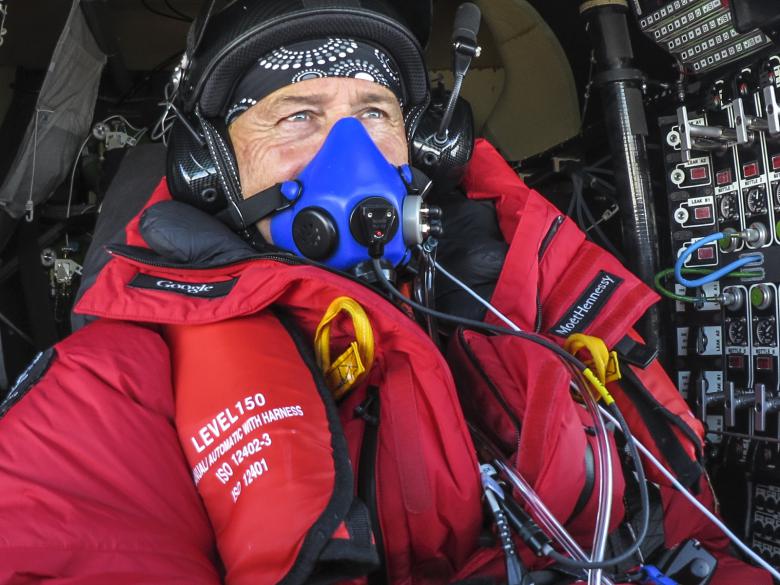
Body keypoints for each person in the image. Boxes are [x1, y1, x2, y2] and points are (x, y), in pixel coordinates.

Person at [0, 1, 772, 584]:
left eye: (375, 112)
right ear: (213, 171)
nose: (353, 152)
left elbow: (696, 534)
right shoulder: (107, 393)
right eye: (298, 115)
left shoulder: (537, 301)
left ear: (426, 150)